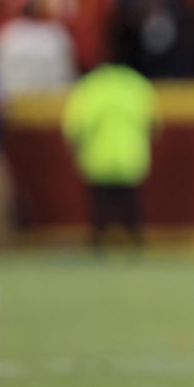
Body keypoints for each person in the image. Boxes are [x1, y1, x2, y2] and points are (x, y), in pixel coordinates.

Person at [61, 59, 158, 250]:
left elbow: (73, 127)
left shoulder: (88, 86)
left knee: (100, 205)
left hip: (97, 157)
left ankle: (98, 242)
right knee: (130, 203)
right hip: (129, 156)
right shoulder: (137, 84)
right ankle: (135, 242)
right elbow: (153, 124)